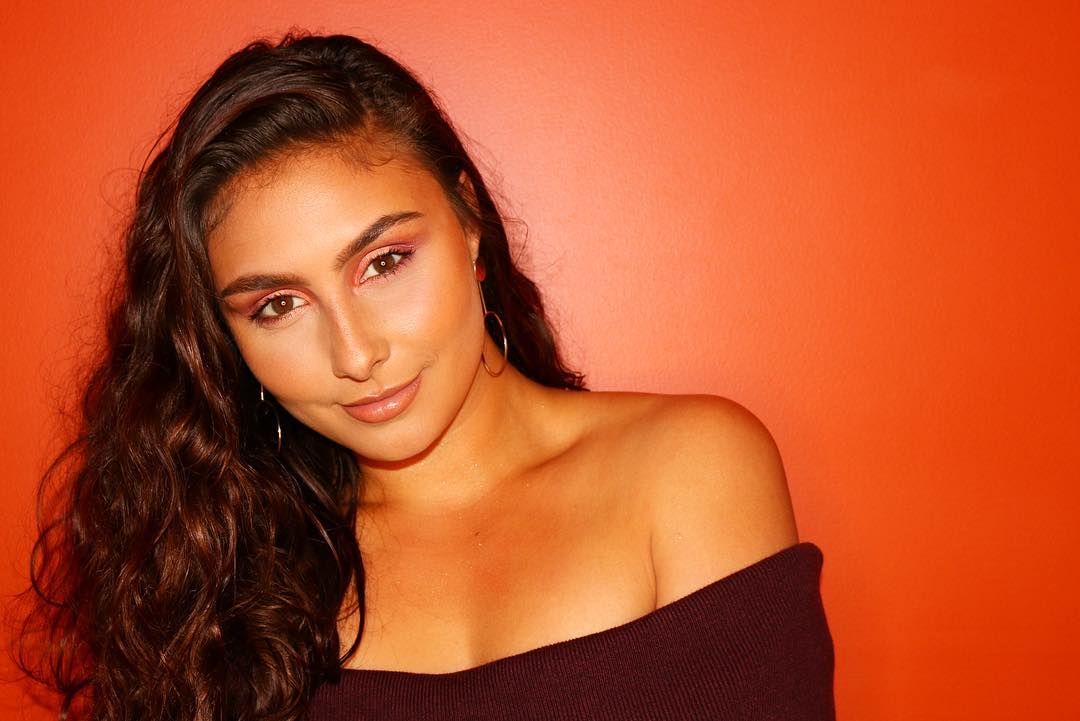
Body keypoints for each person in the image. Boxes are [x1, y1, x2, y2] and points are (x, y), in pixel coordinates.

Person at [18, 32, 835, 721]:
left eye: (384, 262)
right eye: (278, 305)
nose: (355, 353)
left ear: (468, 220)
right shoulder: (221, 565)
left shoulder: (687, 469)